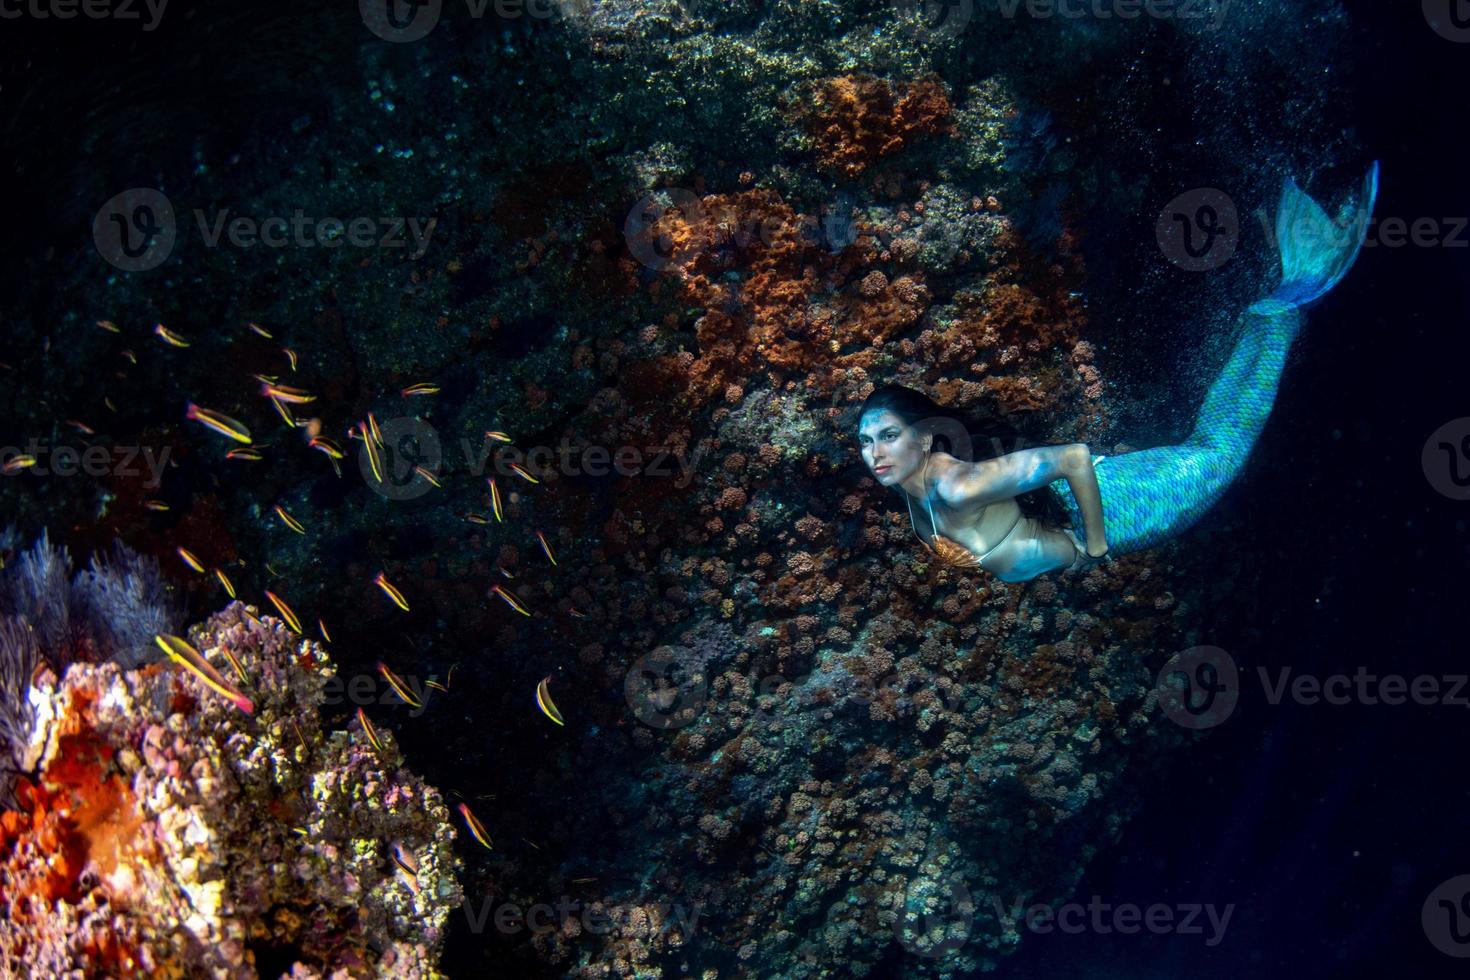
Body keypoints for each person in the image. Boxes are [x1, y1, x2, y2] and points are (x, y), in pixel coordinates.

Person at [857, 162, 1380, 583]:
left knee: (1220, 456)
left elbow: (1072, 458)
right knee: (1209, 446)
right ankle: (1281, 303)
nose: (874, 452)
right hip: (1090, 507)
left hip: (1122, 511)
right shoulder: (912, 487)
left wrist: (1097, 543)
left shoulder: (958, 486)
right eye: (864, 441)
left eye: (887, 436)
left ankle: (1289, 299)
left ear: (924, 439)